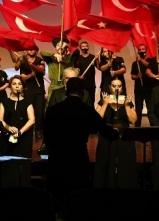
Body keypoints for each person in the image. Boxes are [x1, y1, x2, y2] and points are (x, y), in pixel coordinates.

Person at [42, 77, 121, 217]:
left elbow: (46, 135)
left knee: (56, 196)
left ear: (66, 90)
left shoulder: (53, 110)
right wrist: (117, 129)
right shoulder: (87, 110)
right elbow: (107, 133)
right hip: (78, 157)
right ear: (82, 91)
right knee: (77, 197)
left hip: (56, 158)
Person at [93, 77, 139, 189]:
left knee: (125, 163)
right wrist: (105, 104)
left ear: (122, 88)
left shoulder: (127, 100)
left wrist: (127, 106)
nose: (117, 88)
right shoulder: (104, 100)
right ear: (110, 87)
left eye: (119, 86)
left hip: (124, 137)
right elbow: (96, 119)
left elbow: (133, 120)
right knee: (105, 162)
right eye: (114, 86)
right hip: (107, 136)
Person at [11, 48, 46, 139]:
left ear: (36, 51)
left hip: (39, 90)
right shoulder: (23, 61)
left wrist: (33, 66)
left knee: (39, 111)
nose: (30, 51)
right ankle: (28, 130)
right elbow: (21, 75)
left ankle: (38, 130)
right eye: (29, 49)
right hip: (28, 90)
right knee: (28, 111)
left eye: (32, 49)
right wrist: (30, 75)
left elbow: (41, 70)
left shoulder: (40, 60)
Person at [0, 75, 35, 158]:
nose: (17, 86)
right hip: (7, 136)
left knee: (23, 160)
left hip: (24, 137)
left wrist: (20, 132)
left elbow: (32, 120)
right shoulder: (4, 103)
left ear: (23, 87)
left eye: (20, 84)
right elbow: (0, 119)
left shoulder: (27, 103)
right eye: (14, 84)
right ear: (10, 86)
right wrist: (9, 128)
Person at [131, 44, 153, 127]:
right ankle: (137, 127)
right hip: (139, 89)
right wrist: (137, 76)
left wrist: (141, 60)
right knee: (138, 109)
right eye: (139, 49)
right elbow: (132, 76)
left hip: (149, 88)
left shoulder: (151, 60)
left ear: (146, 50)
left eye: (143, 49)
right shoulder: (135, 63)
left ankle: (153, 126)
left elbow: (149, 65)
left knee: (150, 108)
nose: (141, 51)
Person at [74, 41, 97, 106]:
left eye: (86, 46)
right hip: (81, 84)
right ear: (80, 48)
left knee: (91, 102)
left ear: (88, 47)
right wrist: (78, 76)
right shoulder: (78, 58)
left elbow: (99, 67)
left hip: (91, 84)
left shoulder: (93, 57)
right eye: (83, 46)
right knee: (81, 102)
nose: (84, 48)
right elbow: (75, 70)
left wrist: (97, 59)